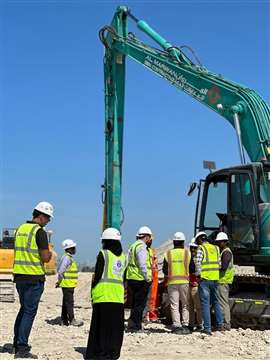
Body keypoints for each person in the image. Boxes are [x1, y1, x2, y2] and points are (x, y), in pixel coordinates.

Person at [13, 201, 54, 359]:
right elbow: (44, 257)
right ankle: (22, 349)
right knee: (29, 312)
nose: (48, 221)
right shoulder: (39, 232)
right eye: (48, 218)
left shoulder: (20, 229)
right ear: (42, 216)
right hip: (33, 277)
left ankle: (17, 343)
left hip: (19, 276)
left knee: (23, 309)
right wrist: (50, 254)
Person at [86, 228, 126, 360]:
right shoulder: (123, 257)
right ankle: (113, 353)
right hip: (117, 298)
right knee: (115, 328)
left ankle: (99, 353)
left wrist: (92, 289)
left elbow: (97, 275)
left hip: (102, 296)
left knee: (100, 327)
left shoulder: (103, 254)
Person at [194, 231, 223, 335]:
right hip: (215, 279)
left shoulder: (201, 248)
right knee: (216, 301)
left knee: (205, 304)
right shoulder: (216, 248)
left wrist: (198, 275)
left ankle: (207, 328)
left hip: (205, 280)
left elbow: (197, 263)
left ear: (200, 240)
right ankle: (220, 325)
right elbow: (219, 265)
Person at [162, 232, 191, 335]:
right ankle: (186, 325)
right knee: (185, 304)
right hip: (184, 282)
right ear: (183, 242)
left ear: (173, 242)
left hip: (172, 282)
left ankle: (176, 326)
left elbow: (165, 270)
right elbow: (192, 268)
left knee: (174, 305)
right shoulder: (188, 253)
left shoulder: (168, 254)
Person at [126, 226, 153, 332]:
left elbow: (127, 261)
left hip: (132, 278)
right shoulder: (141, 247)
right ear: (146, 236)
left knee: (134, 304)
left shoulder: (133, 246)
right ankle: (136, 327)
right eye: (149, 237)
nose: (150, 239)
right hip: (140, 279)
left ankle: (132, 325)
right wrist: (147, 278)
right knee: (139, 305)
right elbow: (142, 264)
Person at [56, 239, 83, 327]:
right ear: (69, 248)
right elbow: (61, 271)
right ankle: (72, 320)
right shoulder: (67, 258)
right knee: (69, 302)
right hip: (67, 284)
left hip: (68, 284)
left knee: (66, 302)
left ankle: (64, 320)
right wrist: (59, 281)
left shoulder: (67, 257)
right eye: (74, 247)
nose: (75, 249)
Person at [215, 231, 234, 330]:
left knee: (223, 303)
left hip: (223, 281)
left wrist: (213, 268)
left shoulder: (226, 252)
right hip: (222, 281)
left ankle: (226, 324)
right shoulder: (224, 251)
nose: (218, 244)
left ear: (225, 242)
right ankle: (224, 323)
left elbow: (224, 267)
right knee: (222, 303)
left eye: (219, 242)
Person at [188, 238, 203, 332]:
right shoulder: (188, 258)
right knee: (190, 307)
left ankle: (200, 324)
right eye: (191, 248)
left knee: (198, 307)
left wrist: (198, 281)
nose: (193, 250)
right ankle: (191, 324)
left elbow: (202, 273)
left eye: (194, 248)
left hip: (196, 286)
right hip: (189, 285)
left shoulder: (200, 259)